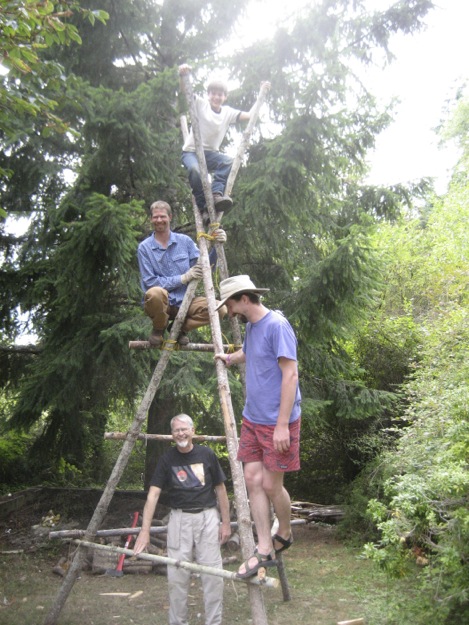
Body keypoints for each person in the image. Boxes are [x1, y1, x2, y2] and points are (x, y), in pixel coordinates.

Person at [214, 275, 301, 579]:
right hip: (253, 418)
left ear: (244, 299)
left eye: (231, 303)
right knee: (252, 479)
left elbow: (290, 376)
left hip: (278, 422)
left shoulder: (277, 326)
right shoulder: (252, 327)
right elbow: (249, 353)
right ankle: (263, 546)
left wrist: (281, 427)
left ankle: (285, 532)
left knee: (270, 486)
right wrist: (228, 358)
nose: (229, 310)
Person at [133, 413, 231, 625]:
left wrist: (225, 522)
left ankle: (214, 622)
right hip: (179, 519)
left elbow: (221, 490)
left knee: (213, 575)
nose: (180, 433)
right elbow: (153, 495)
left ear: (193, 431)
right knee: (177, 575)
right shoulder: (167, 459)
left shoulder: (206, 455)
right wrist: (144, 530)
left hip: (207, 518)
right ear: (172, 434)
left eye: (184, 429)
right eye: (176, 430)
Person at [179, 64, 266, 224]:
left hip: (210, 153)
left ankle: (216, 194)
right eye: (213, 94)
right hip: (191, 151)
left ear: (225, 97)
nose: (216, 97)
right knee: (194, 170)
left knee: (228, 161)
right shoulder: (200, 104)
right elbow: (185, 91)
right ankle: (203, 205)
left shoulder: (227, 112)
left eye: (220, 95)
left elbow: (249, 115)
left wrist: (261, 95)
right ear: (208, 95)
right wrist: (183, 75)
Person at [137, 200, 227, 346]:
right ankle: (159, 329)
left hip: (185, 301)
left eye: (162, 216)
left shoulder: (184, 242)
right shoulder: (144, 248)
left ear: (170, 217)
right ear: (151, 218)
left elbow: (204, 267)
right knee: (155, 293)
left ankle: (179, 329)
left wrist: (217, 246)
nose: (159, 220)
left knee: (220, 309)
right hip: (161, 305)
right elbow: (150, 282)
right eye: (155, 217)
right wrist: (183, 278)